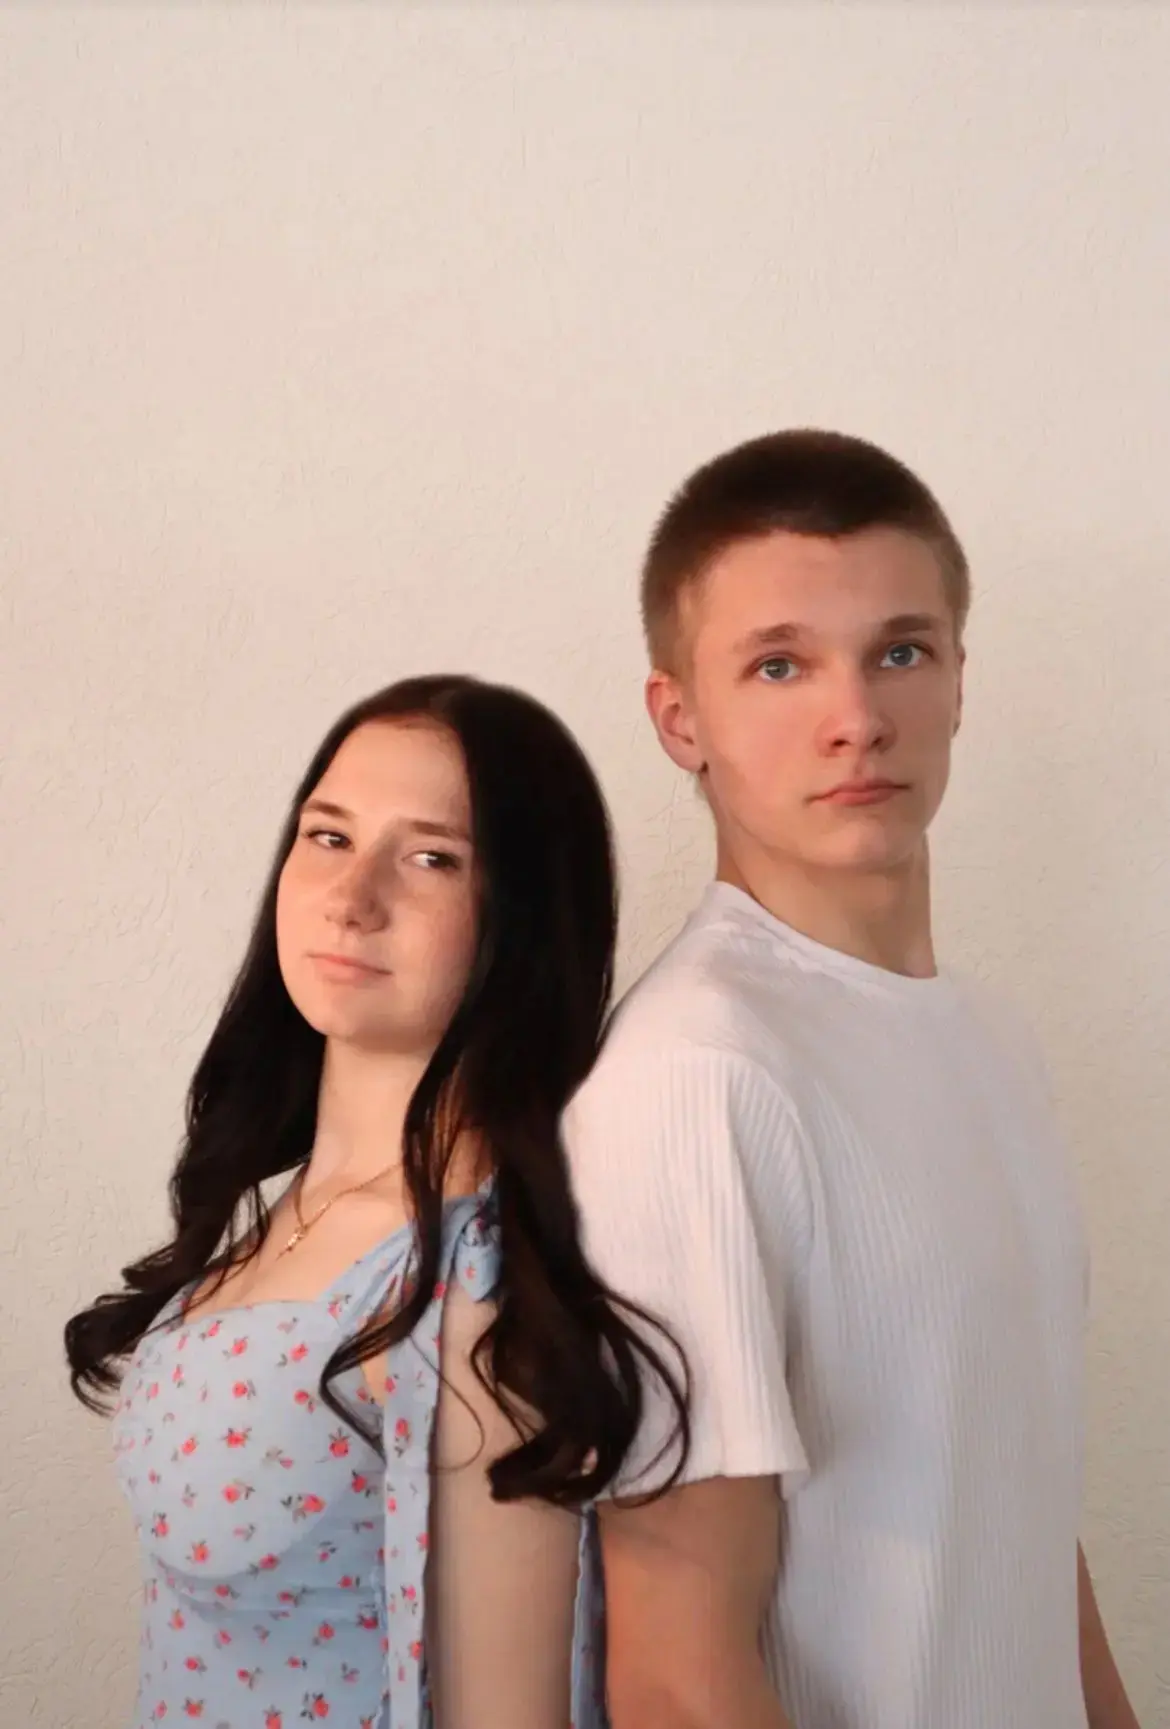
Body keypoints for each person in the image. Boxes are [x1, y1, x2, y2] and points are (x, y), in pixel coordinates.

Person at [563, 431, 1142, 1729]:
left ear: (957, 679)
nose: (857, 718)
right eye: (779, 664)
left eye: (900, 651)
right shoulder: (695, 1077)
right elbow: (675, 1675)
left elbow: (1019, 1525)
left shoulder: (991, 1039)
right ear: (679, 718)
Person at [65, 673, 687, 1729]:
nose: (351, 898)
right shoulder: (278, 1209)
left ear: (525, 918)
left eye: (432, 857)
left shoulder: (473, 1289)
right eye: (329, 836)